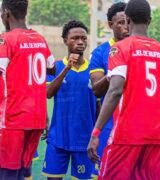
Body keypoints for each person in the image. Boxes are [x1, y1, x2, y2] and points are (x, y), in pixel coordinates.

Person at [87, 0, 160, 179]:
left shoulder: (120, 48)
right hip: (155, 136)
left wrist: (96, 132)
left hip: (126, 135)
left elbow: (115, 91)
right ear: (149, 20)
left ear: (127, 19)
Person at [0, 0, 55, 179]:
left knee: (7, 173)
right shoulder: (39, 38)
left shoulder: (6, 39)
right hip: (36, 119)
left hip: (12, 120)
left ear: (6, 13)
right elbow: (51, 66)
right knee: (23, 172)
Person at [42, 20, 96, 180]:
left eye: (83, 38)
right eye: (75, 38)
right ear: (65, 40)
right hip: (58, 138)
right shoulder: (56, 67)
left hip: (84, 141)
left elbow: (99, 105)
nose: (80, 42)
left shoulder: (94, 70)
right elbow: (48, 93)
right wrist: (66, 69)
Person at [89, 2, 128, 177]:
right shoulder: (100, 52)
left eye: (128, 21)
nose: (125, 26)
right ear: (110, 25)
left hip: (136, 125)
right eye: (120, 22)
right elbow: (97, 90)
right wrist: (113, 73)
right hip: (110, 125)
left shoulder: (140, 49)